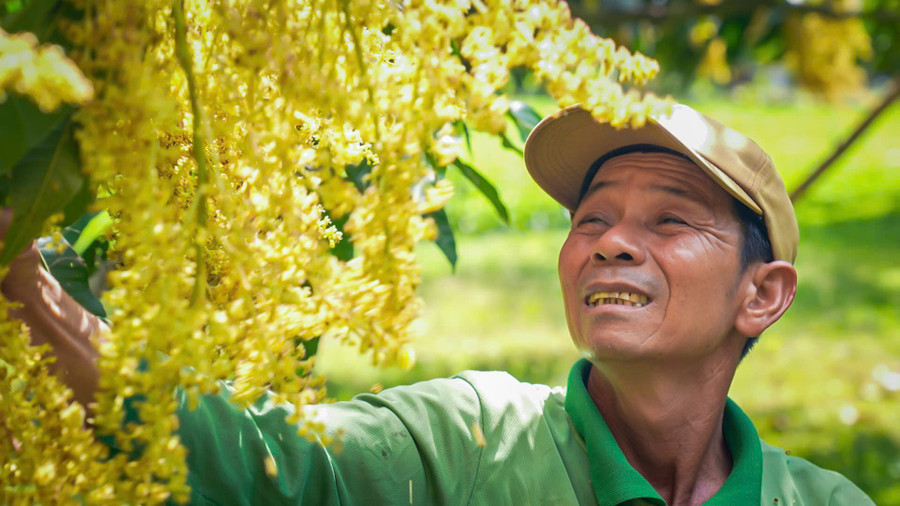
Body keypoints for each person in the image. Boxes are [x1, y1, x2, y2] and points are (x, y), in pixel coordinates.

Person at [1, 104, 875, 505]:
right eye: (593, 219)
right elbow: (251, 462)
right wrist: (26, 290)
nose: (610, 241)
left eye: (671, 219)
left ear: (761, 296)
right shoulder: (467, 440)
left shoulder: (826, 502)